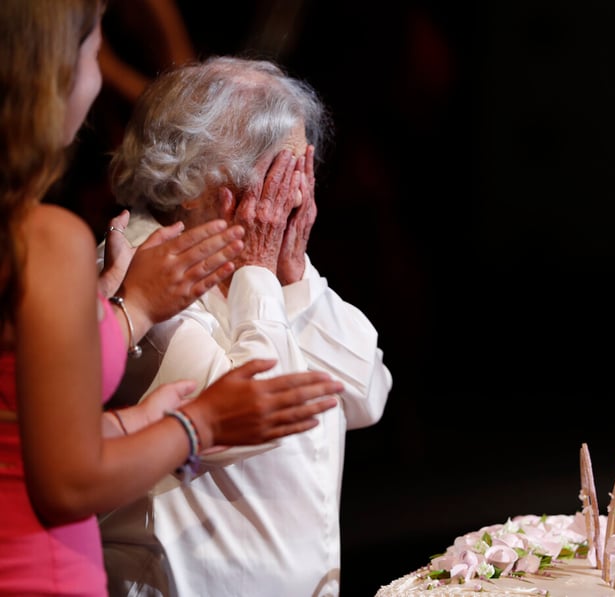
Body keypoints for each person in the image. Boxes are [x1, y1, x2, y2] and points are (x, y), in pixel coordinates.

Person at [0, 3, 343, 595]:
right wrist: (195, 425)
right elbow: (65, 482)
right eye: (93, 51)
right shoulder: (55, 240)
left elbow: (366, 392)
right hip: (40, 570)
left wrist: (291, 278)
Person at [98, 56, 393, 596]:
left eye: (302, 170)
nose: (298, 196)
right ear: (192, 182)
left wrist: (294, 279)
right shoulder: (141, 267)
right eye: (276, 175)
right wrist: (260, 271)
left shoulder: (263, 263)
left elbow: (368, 395)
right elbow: (256, 414)